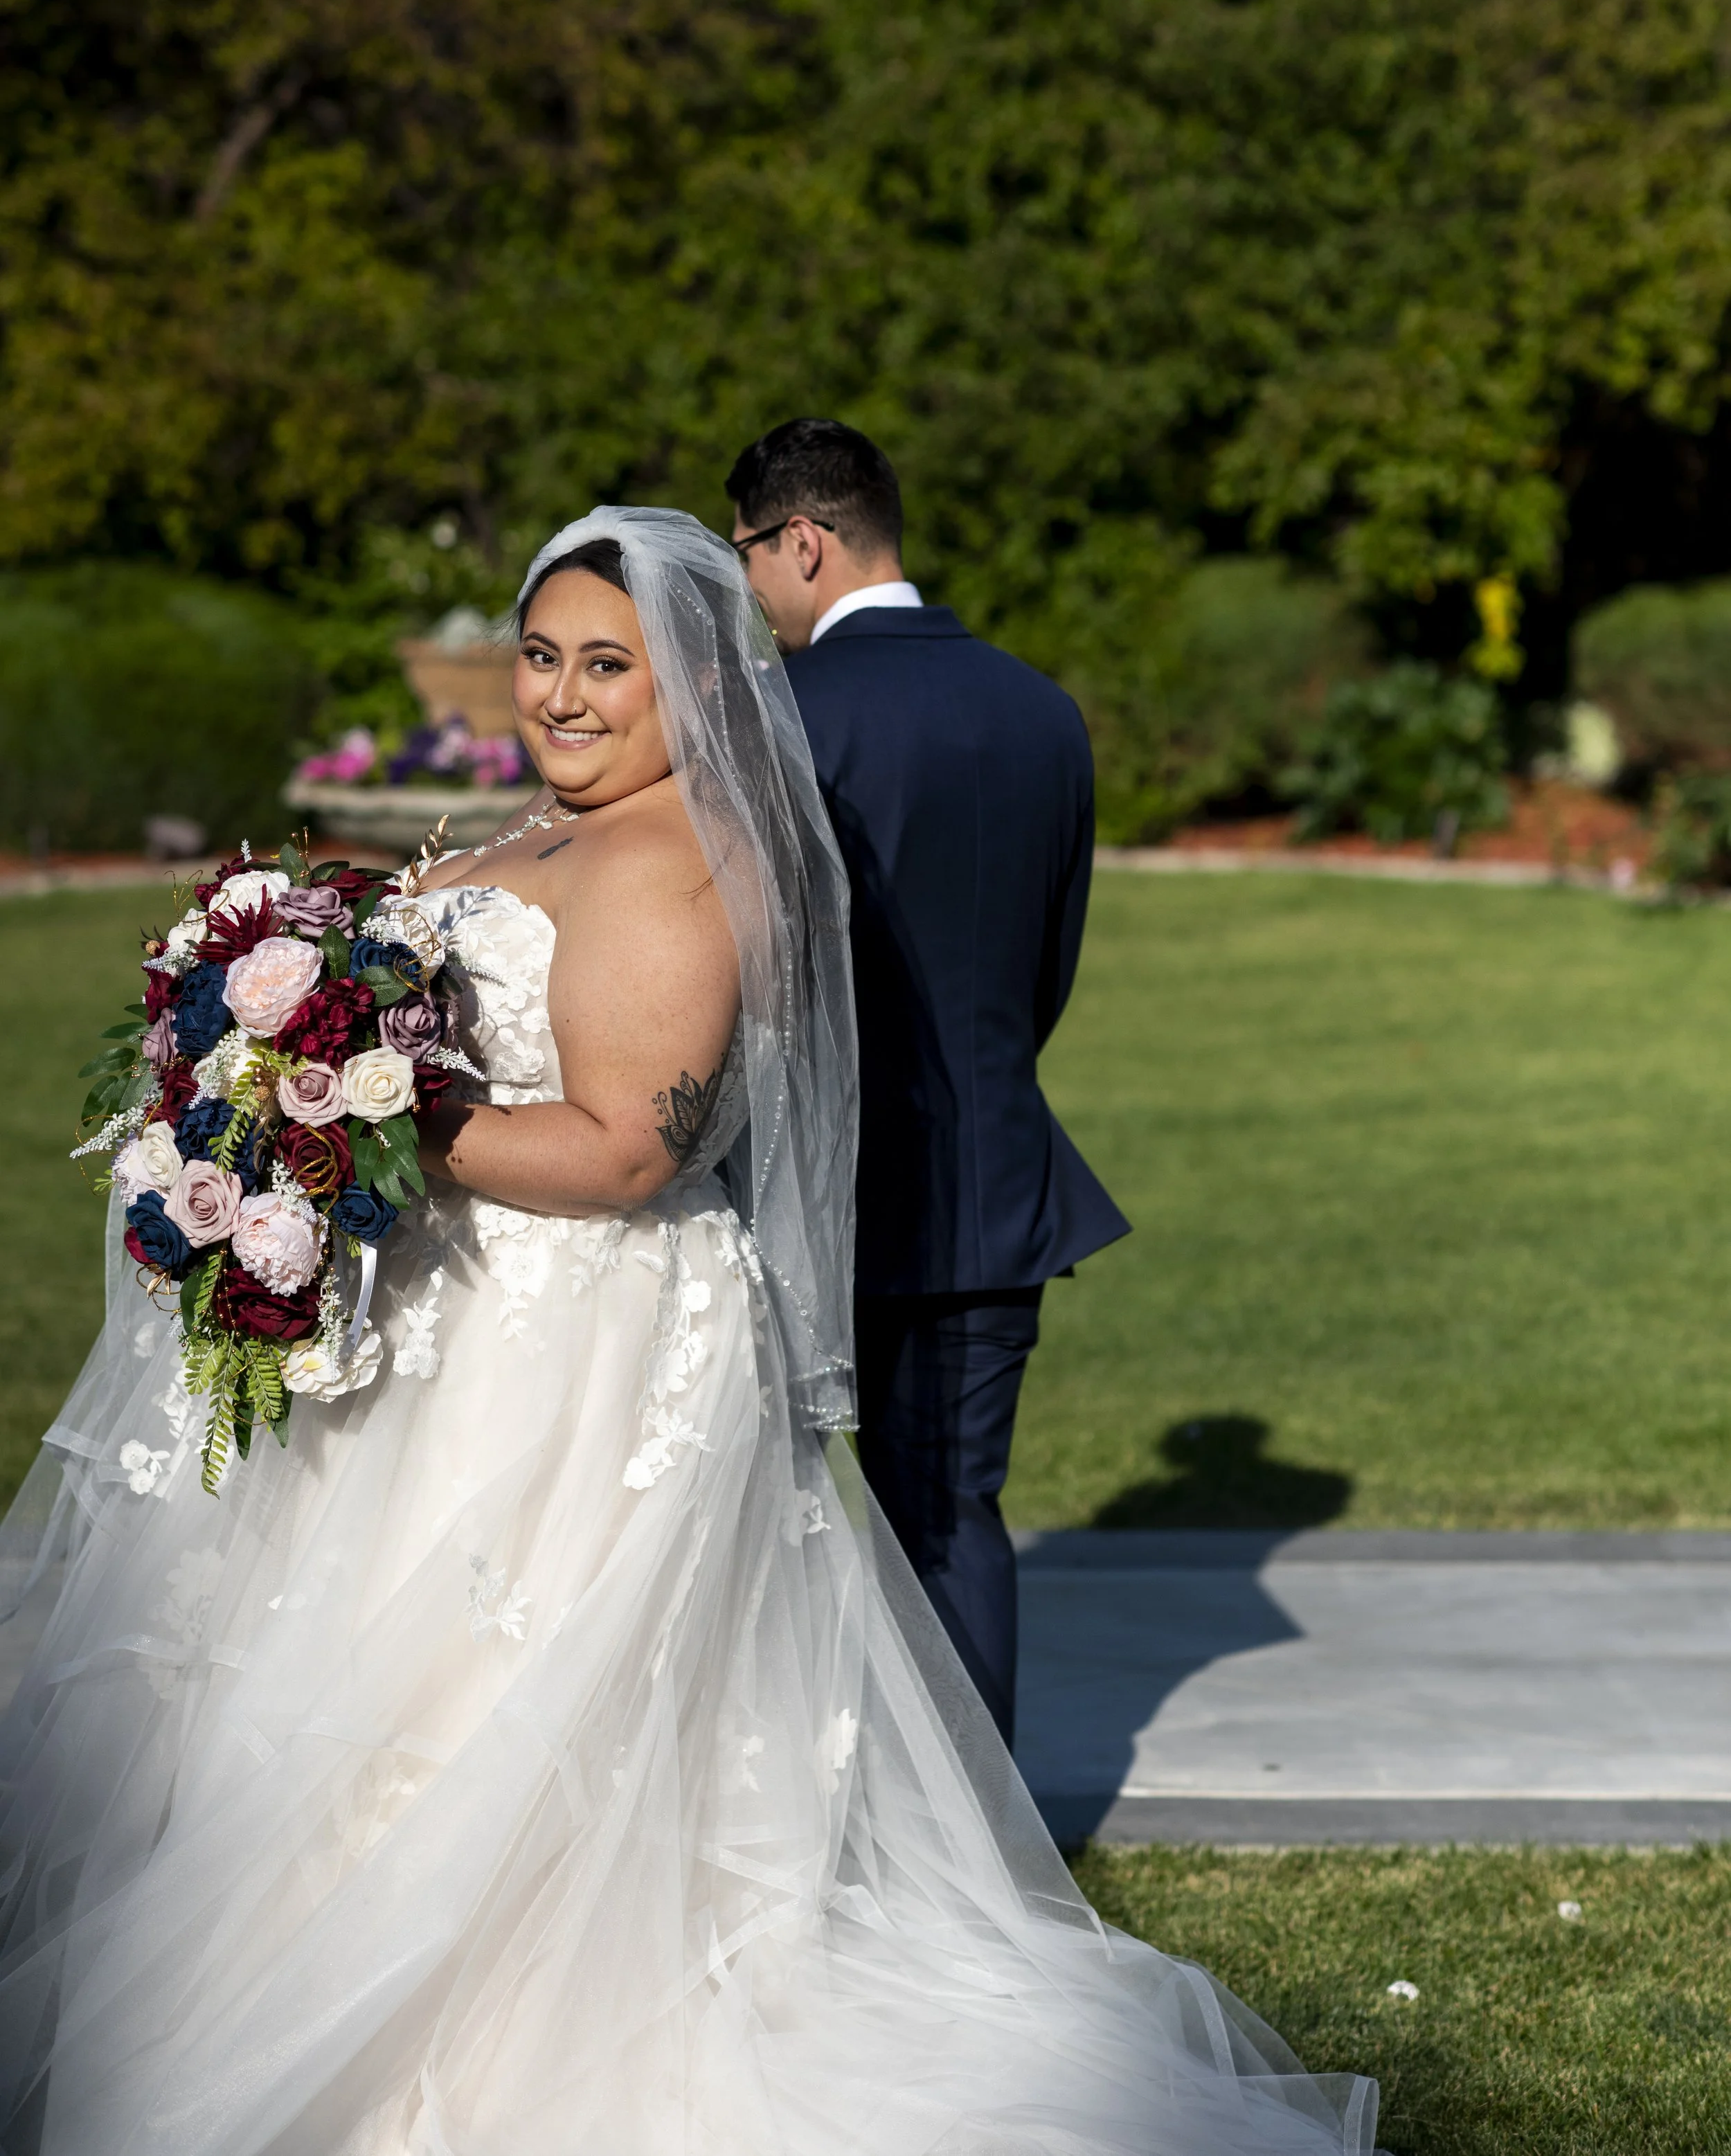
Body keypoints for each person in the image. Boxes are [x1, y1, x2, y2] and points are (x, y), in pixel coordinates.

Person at [0, 510, 1376, 2155]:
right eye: (541, 657)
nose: (563, 698)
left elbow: (627, 1147)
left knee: (504, 1710)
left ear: (697, 683)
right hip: (461, 1333)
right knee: (372, 1682)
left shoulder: (671, 858)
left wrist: (352, 1124)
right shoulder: (545, 831)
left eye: (607, 666)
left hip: (570, 1354)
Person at [726, 420, 1127, 1743]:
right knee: (953, 1517)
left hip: (816, 1188)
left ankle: (874, 1844)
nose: (748, 594)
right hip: (991, 1184)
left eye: (747, 557)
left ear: (804, 541)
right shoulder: (1042, 708)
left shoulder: (780, 717)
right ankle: (985, 1855)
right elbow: (1043, 970)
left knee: (753, 1522)